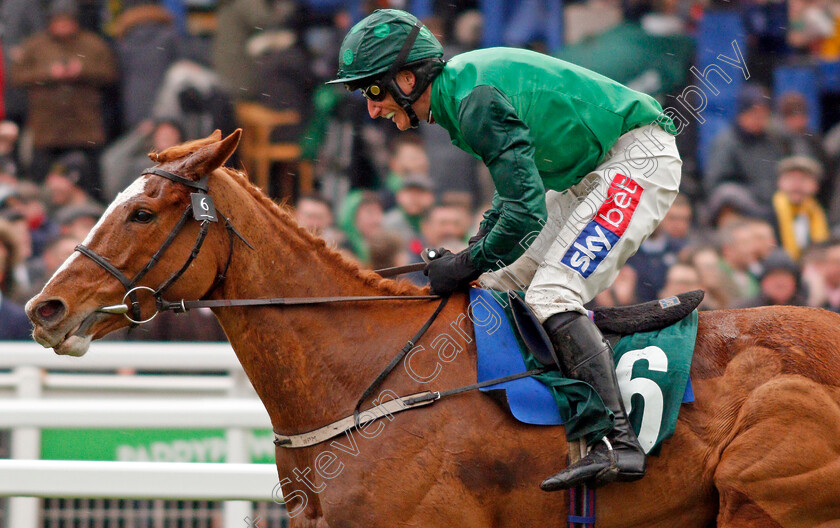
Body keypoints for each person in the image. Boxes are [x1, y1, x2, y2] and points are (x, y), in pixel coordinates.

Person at [328, 9, 682, 491]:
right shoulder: (460, 94)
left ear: (408, 78)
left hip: (637, 159)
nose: (372, 108)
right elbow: (513, 198)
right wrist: (472, 259)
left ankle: (615, 442)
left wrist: (464, 262)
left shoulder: (472, 99)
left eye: (373, 90)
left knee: (552, 293)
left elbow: (523, 212)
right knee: (494, 286)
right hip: (587, 172)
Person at [9, 0, 118, 191]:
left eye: (66, 21)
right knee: (42, 179)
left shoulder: (92, 44)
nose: (62, 26)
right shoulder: (36, 45)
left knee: (90, 179)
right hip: (46, 128)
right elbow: (17, 77)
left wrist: (82, 71)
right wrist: (49, 74)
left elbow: (110, 73)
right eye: (58, 21)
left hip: (84, 125)